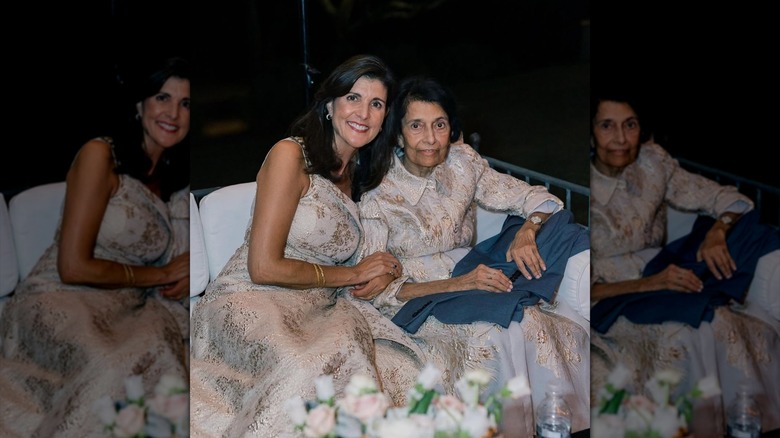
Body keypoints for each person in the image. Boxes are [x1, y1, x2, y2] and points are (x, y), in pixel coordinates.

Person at [352, 76, 591, 434]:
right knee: (504, 328)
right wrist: (462, 282)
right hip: (425, 294)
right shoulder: (378, 193)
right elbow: (379, 290)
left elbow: (540, 199)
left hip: (477, 266)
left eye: (440, 125)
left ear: (451, 129)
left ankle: (558, 423)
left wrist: (528, 230)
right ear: (398, 135)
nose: (430, 139)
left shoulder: (463, 162)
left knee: (559, 226)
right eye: (416, 126)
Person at [188, 54, 408, 437]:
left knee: (392, 366)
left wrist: (385, 268)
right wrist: (354, 273)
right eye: (353, 98)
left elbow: (375, 251)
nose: (364, 113)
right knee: (305, 367)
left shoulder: (360, 175)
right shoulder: (291, 155)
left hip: (318, 307)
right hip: (250, 298)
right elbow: (264, 266)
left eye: (377, 104)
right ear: (329, 105)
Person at [0, 55, 191, 436]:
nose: (173, 112)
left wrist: (181, 274)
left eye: (186, 104)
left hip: (129, 307)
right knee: (113, 365)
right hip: (61, 297)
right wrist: (163, 273)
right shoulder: (100, 155)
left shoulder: (176, 179)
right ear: (140, 105)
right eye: (161, 98)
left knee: (165, 359)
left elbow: (180, 259)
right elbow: (72, 265)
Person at [588, 90, 780, 433]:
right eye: (607, 126)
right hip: (612, 296)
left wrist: (718, 230)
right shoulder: (581, 184)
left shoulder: (653, 163)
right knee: (688, 333)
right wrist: (653, 283)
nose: (620, 139)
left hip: (665, 270)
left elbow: (731, 199)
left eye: (630, 125)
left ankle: (743, 422)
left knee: (719, 315)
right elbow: (582, 289)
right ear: (591, 133)